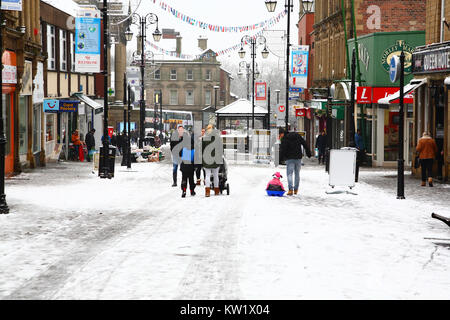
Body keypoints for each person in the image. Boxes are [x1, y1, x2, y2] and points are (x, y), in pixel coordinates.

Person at [280, 127, 311, 196]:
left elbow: (283, 149)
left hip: (289, 158)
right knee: (297, 174)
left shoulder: (285, 138)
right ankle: (296, 190)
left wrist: (281, 159)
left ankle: (290, 189)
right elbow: (304, 143)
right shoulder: (297, 135)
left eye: (280, 134)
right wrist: (308, 153)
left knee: (289, 174)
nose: (280, 136)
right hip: (298, 158)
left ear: (282, 133)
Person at [202, 124, 223, 197]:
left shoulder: (204, 138)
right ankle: (216, 190)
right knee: (216, 175)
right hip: (216, 159)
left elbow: (201, 150)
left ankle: (207, 192)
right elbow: (221, 149)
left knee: (207, 175)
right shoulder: (218, 138)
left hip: (206, 159)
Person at [180, 134, 196, 198]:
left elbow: (180, 155)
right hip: (191, 166)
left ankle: (184, 190)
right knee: (191, 179)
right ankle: (192, 191)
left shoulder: (183, 149)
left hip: (184, 165)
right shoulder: (194, 150)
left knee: (184, 178)